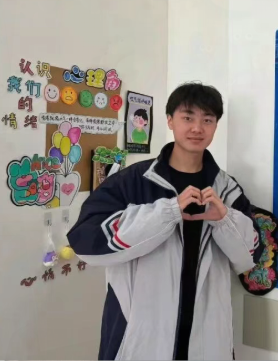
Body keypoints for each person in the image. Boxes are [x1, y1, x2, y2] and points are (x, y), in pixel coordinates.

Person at [67, 82, 263, 360]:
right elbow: (85, 242)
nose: (197, 128)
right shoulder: (131, 181)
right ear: (170, 121)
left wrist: (225, 219)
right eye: (188, 117)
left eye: (207, 120)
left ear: (216, 126)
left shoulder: (226, 188)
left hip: (206, 331)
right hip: (139, 331)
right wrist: (168, 211)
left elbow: (250, 257)